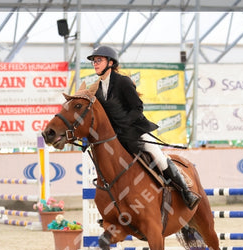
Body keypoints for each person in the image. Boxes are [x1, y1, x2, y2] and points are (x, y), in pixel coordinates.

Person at [86, 45, 200, 210]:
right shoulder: (96, 89)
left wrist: (123, 126)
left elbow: (137, 108)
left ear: (110, 62)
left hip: (134, 129)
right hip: (115, 136)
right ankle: (113, 209)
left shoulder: (122, 82)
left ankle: (186, 192)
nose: (95, 64)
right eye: (94, 61)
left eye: (99, 60)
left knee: (156, 154)